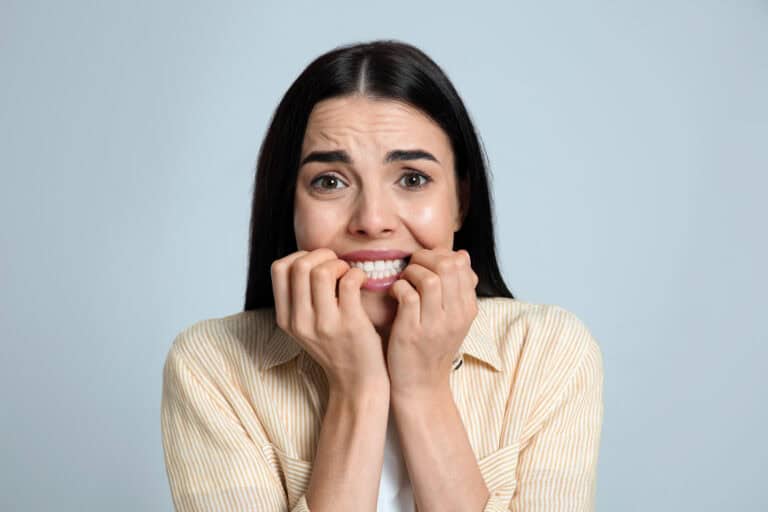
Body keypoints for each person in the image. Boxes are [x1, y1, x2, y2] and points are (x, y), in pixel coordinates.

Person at [160, 39, 604, 512]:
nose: (372, 220)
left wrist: (423, 389)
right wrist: (359, 389)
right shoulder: (213, 366)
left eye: (412, 178)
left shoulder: (547, 352)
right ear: (288, 206)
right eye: (329, 181)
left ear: (461, 200)